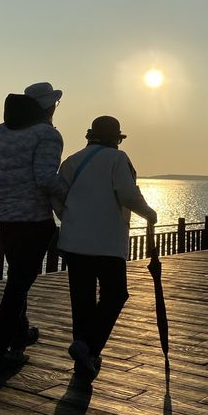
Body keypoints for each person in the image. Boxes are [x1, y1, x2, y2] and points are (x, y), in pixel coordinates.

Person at [57, 115, 157, 380]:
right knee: (115, 294)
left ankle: (85, 360)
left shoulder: (71, 161)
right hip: (107, 243)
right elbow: (127, 193)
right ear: (116, 139)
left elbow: (57, 197)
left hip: (73, 242)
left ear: (90, 136)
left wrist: (68, 219)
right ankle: (87, 346)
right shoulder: (117, 159)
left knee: (82, 302)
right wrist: (148, 212)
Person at [0, 82, 66, 372]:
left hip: (5, 217)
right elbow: (44, 179)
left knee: (18, 277)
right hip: (35, 220)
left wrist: (5, 194)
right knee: (18, 284)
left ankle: (20, 334)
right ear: (48, 107)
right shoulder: (47, 135)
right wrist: (72, 192)